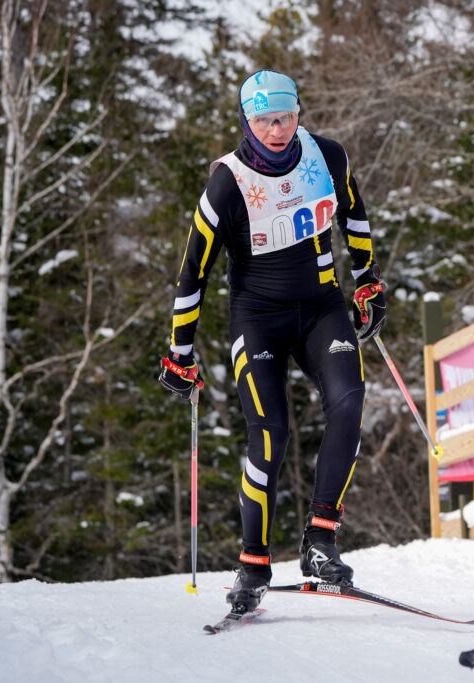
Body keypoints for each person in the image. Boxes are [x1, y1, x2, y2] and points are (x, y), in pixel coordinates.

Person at [158, 69, 387, 613]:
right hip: (257, 318)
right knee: (271, 432)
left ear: (300, 112)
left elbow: (353, 213)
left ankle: (321, 539)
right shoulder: (227, 183)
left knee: (350, 402)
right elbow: (194, 273)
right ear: (246, 120)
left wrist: (368, 278)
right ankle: (253, 563)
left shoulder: (328, 158)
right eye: (264, 119)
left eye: (285, 116)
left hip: (322, 309)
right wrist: (180, 350)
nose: (277, 129)